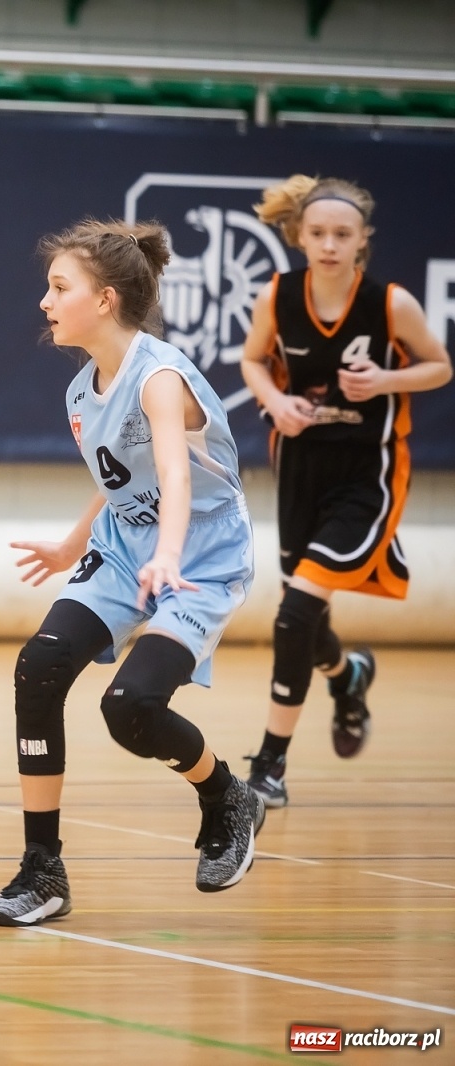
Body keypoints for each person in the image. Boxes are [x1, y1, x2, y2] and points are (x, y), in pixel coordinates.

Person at [0, 219, 265, 928]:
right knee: (39, 667)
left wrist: (169, 554)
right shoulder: (84, 391)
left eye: (58, 288)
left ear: (104, 299)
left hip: (200, 552)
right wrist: (68, 545)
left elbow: (174, 472)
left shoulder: (160, 377)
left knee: (129, 710)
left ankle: (225, 793)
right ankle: (41, 868)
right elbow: (121, 478)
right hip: (123, 544)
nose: (44, 302)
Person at [240, 176, 451, 807]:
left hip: (368, 473)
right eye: (319, 234)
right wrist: (276, 401)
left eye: (343, 235)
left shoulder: (391, 304)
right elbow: (253, 361)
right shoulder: (276, 297)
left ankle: (270, 766)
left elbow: (440, 366)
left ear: (362, 242)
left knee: (295, 613)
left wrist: (386, 379)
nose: (329, 244)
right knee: (304, 618)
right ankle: (349, 674)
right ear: (299, 236)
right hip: (301, 466)